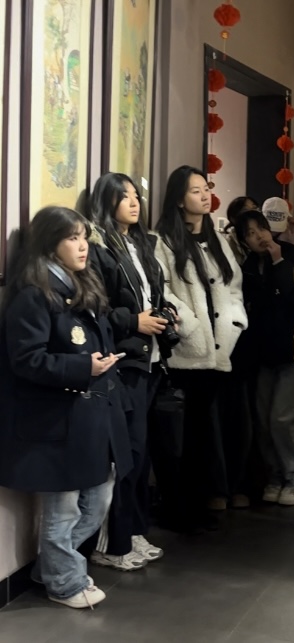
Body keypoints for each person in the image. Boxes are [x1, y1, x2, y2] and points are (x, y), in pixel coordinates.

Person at [0, 207, 132, 609]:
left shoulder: (81, 285)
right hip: (55, 422)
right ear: (49, 243)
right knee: (64, 510)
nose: (82, 246)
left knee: (98, 500)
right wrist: (82, 367)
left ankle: (51, 568)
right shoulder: (34, 295)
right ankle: (63, 583)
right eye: (72, 238)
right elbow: (26, 359)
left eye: (83, 237)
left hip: (91, 417)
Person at [154, 166, 248, 532]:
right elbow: (162, 290)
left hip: (218, 351)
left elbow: (233, 286)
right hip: (185, 352)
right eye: (195, 191)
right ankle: (179, 508)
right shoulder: (162, 240)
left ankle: (200, 502)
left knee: (205, 431)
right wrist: (190, 327)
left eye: (205, 188)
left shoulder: (217, 240)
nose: (205, 195)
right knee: (181, 435)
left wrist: (235, 321)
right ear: (179, 199)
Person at [86, 172, 170, 571]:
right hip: (123, 358)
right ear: (107, 201)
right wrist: (133, 321)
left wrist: (165, 313)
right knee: (126, 454)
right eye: (124, 197)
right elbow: (97, 306)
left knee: (141, 453)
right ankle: (112, 542)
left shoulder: (139, 243)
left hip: (149, 358)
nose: (134, 203)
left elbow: (152, 294)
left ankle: (133, 530)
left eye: (136, 196)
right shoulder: (99, 247)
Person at [233, 210, 294, 506]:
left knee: (282, 418)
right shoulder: (249, 266)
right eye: (250, 234)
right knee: (264, 420)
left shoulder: (292, 255)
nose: (259, 237)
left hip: (291, 353)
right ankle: (275, 477)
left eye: (260, 229)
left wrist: (278, 261)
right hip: (261, 355)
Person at [223, 195, 259, 264]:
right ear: (233, 218)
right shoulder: (227, 244)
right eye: (245, 210)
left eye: (254, 208)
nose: (252, 213)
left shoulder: (263, 235)